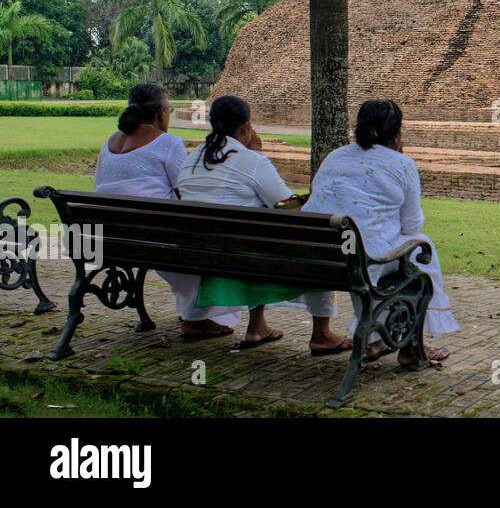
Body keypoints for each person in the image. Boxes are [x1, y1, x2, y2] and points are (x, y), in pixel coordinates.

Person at [177, 95, 350, 355]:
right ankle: (322, 334)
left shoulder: (193, 158)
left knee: (252, 229)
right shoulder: (250, 161)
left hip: (200, 252)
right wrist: (259, 158)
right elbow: (288, 207)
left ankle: (258, 326)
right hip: (242, 255)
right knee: (319, 248)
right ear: (246, 127)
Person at [304, 99, 458, 366]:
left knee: (359, 246)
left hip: (315, 257)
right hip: (360, 261)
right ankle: (411, 348)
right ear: (397, 132)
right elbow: (412, 226)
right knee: (421, 249)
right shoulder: (402, 164)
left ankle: (376, 340)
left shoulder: (335, 156)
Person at [93, 83, 240, 339]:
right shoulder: (168, 142)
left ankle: (194, 313)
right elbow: (188, 189)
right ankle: (196, 319)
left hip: (110, 240)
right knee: (208, 243)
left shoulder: (109, 143)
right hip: (153, 238)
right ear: (162, 112)